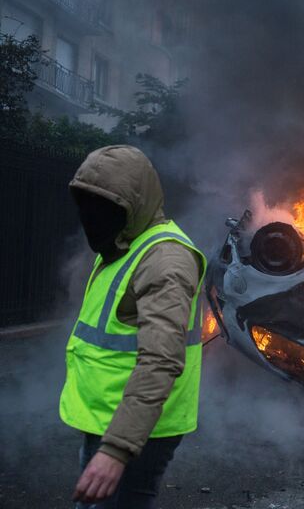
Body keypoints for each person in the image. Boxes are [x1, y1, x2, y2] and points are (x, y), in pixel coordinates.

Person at [59, 146, 206, 508]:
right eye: (85, 203)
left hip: (135, 432)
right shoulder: (125, 244)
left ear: (135, 203)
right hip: (117, 420)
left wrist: (117, 450)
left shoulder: (165, 260)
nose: (90, 216)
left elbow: (161, 359)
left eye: (104, 205)